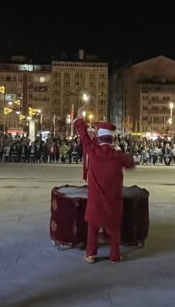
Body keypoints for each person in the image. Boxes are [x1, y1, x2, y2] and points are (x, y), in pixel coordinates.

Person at [73, 106, 135, 264]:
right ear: (112, 139)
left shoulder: (93, 152)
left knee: (93, 228)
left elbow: (84, 136)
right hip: (113, 201)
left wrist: (80, 119)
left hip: (96, 200)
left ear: (99, 138)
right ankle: (115, 256)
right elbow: (130, 164)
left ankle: (91, 254)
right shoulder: (118, 156)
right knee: (115, 230)